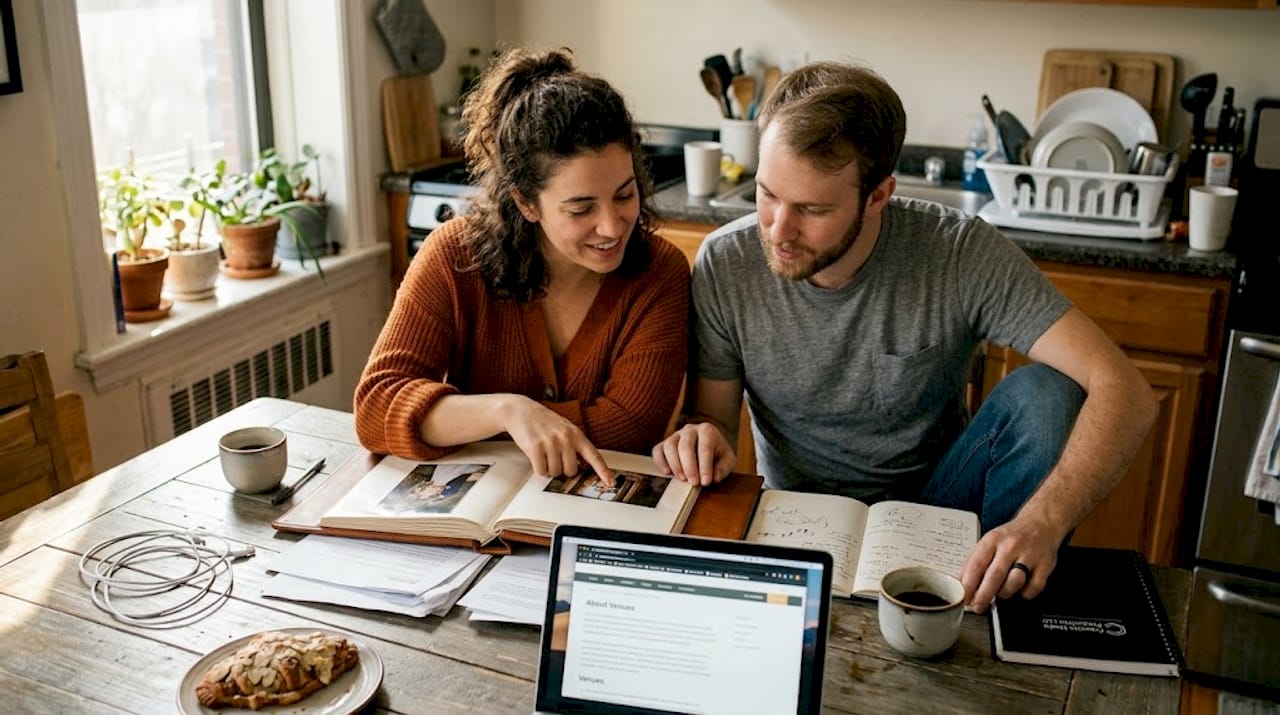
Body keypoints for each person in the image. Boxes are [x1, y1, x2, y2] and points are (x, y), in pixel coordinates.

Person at [652, 62, 1157, 613]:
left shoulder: (960, 253)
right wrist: (698, 439)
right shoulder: (727, 261)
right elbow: (714, 423)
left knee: (1048, 392)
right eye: (767, 194)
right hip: (799, 522)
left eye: (812, 209)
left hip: (938, 514)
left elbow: (1125, 390)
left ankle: (1000, 592)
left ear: (879, 194)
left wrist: (1042, 522)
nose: (777, 230)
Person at [356, 47, 690, 485]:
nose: (612, 226)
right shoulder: (452, 256)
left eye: (625, 195)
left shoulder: (659, 272)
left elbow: (628, 430)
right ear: (526, 203)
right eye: (581, 208)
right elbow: (377, 407)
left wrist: (456, 419)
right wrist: (508, 410)